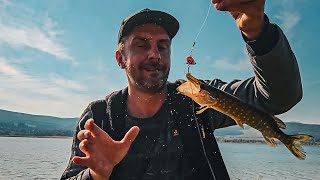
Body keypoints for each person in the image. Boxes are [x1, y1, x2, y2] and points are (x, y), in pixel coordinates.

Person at [61, 0, 303, 179]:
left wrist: (257, 31)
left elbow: (280, 97)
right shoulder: (99, 117)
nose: (154, 54)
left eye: (163, 46)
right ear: (120, 58)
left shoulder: (199, 100)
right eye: (141, 45)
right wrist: (95, 175)